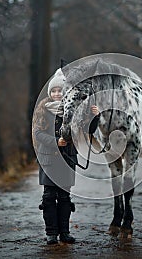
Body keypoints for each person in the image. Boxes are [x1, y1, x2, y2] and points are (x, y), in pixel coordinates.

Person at [32, 69, 100, 245]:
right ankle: (51, 234)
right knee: (48, 197)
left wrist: (95, 116)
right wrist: (56, 141)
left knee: (64, 197)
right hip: (48, 160)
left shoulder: (77, 110)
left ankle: (65, 233)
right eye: (53, 91)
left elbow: (88, 131)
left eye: (60, 91)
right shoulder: (42, 110)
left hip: (68, 159)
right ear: (50, 93)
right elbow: (38, 133)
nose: (57, 94)